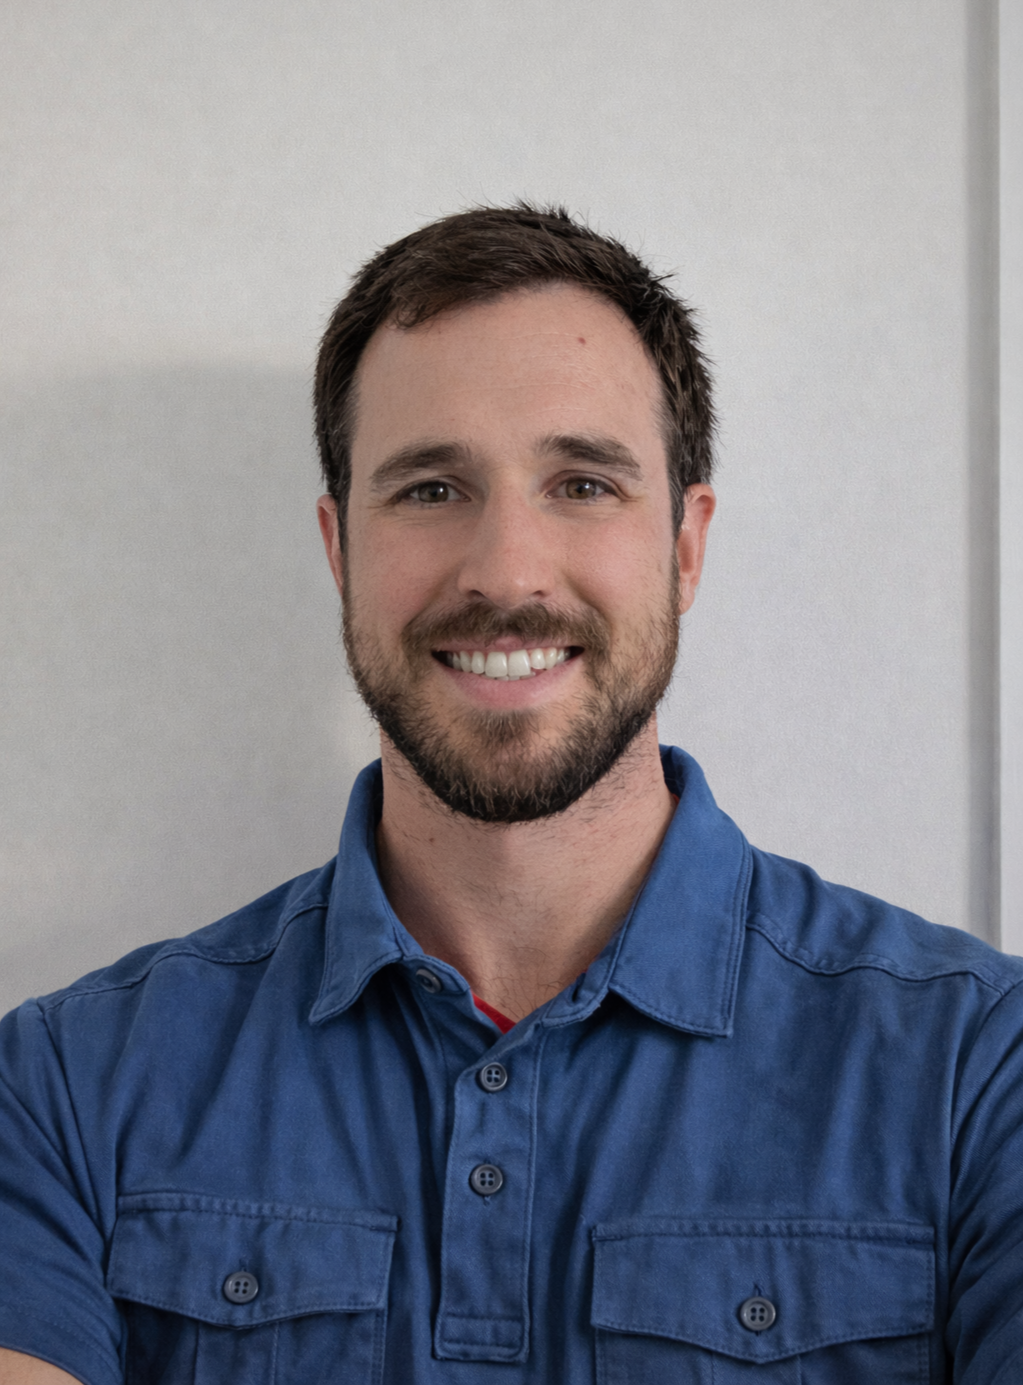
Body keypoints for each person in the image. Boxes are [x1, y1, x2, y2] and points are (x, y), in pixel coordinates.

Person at [1, 204, 1021, 1385]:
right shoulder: (66, 1086)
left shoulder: (978, 1069)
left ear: (686, 546)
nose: (506, 571)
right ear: (339, 548)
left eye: (582, 482)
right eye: (431, 489)